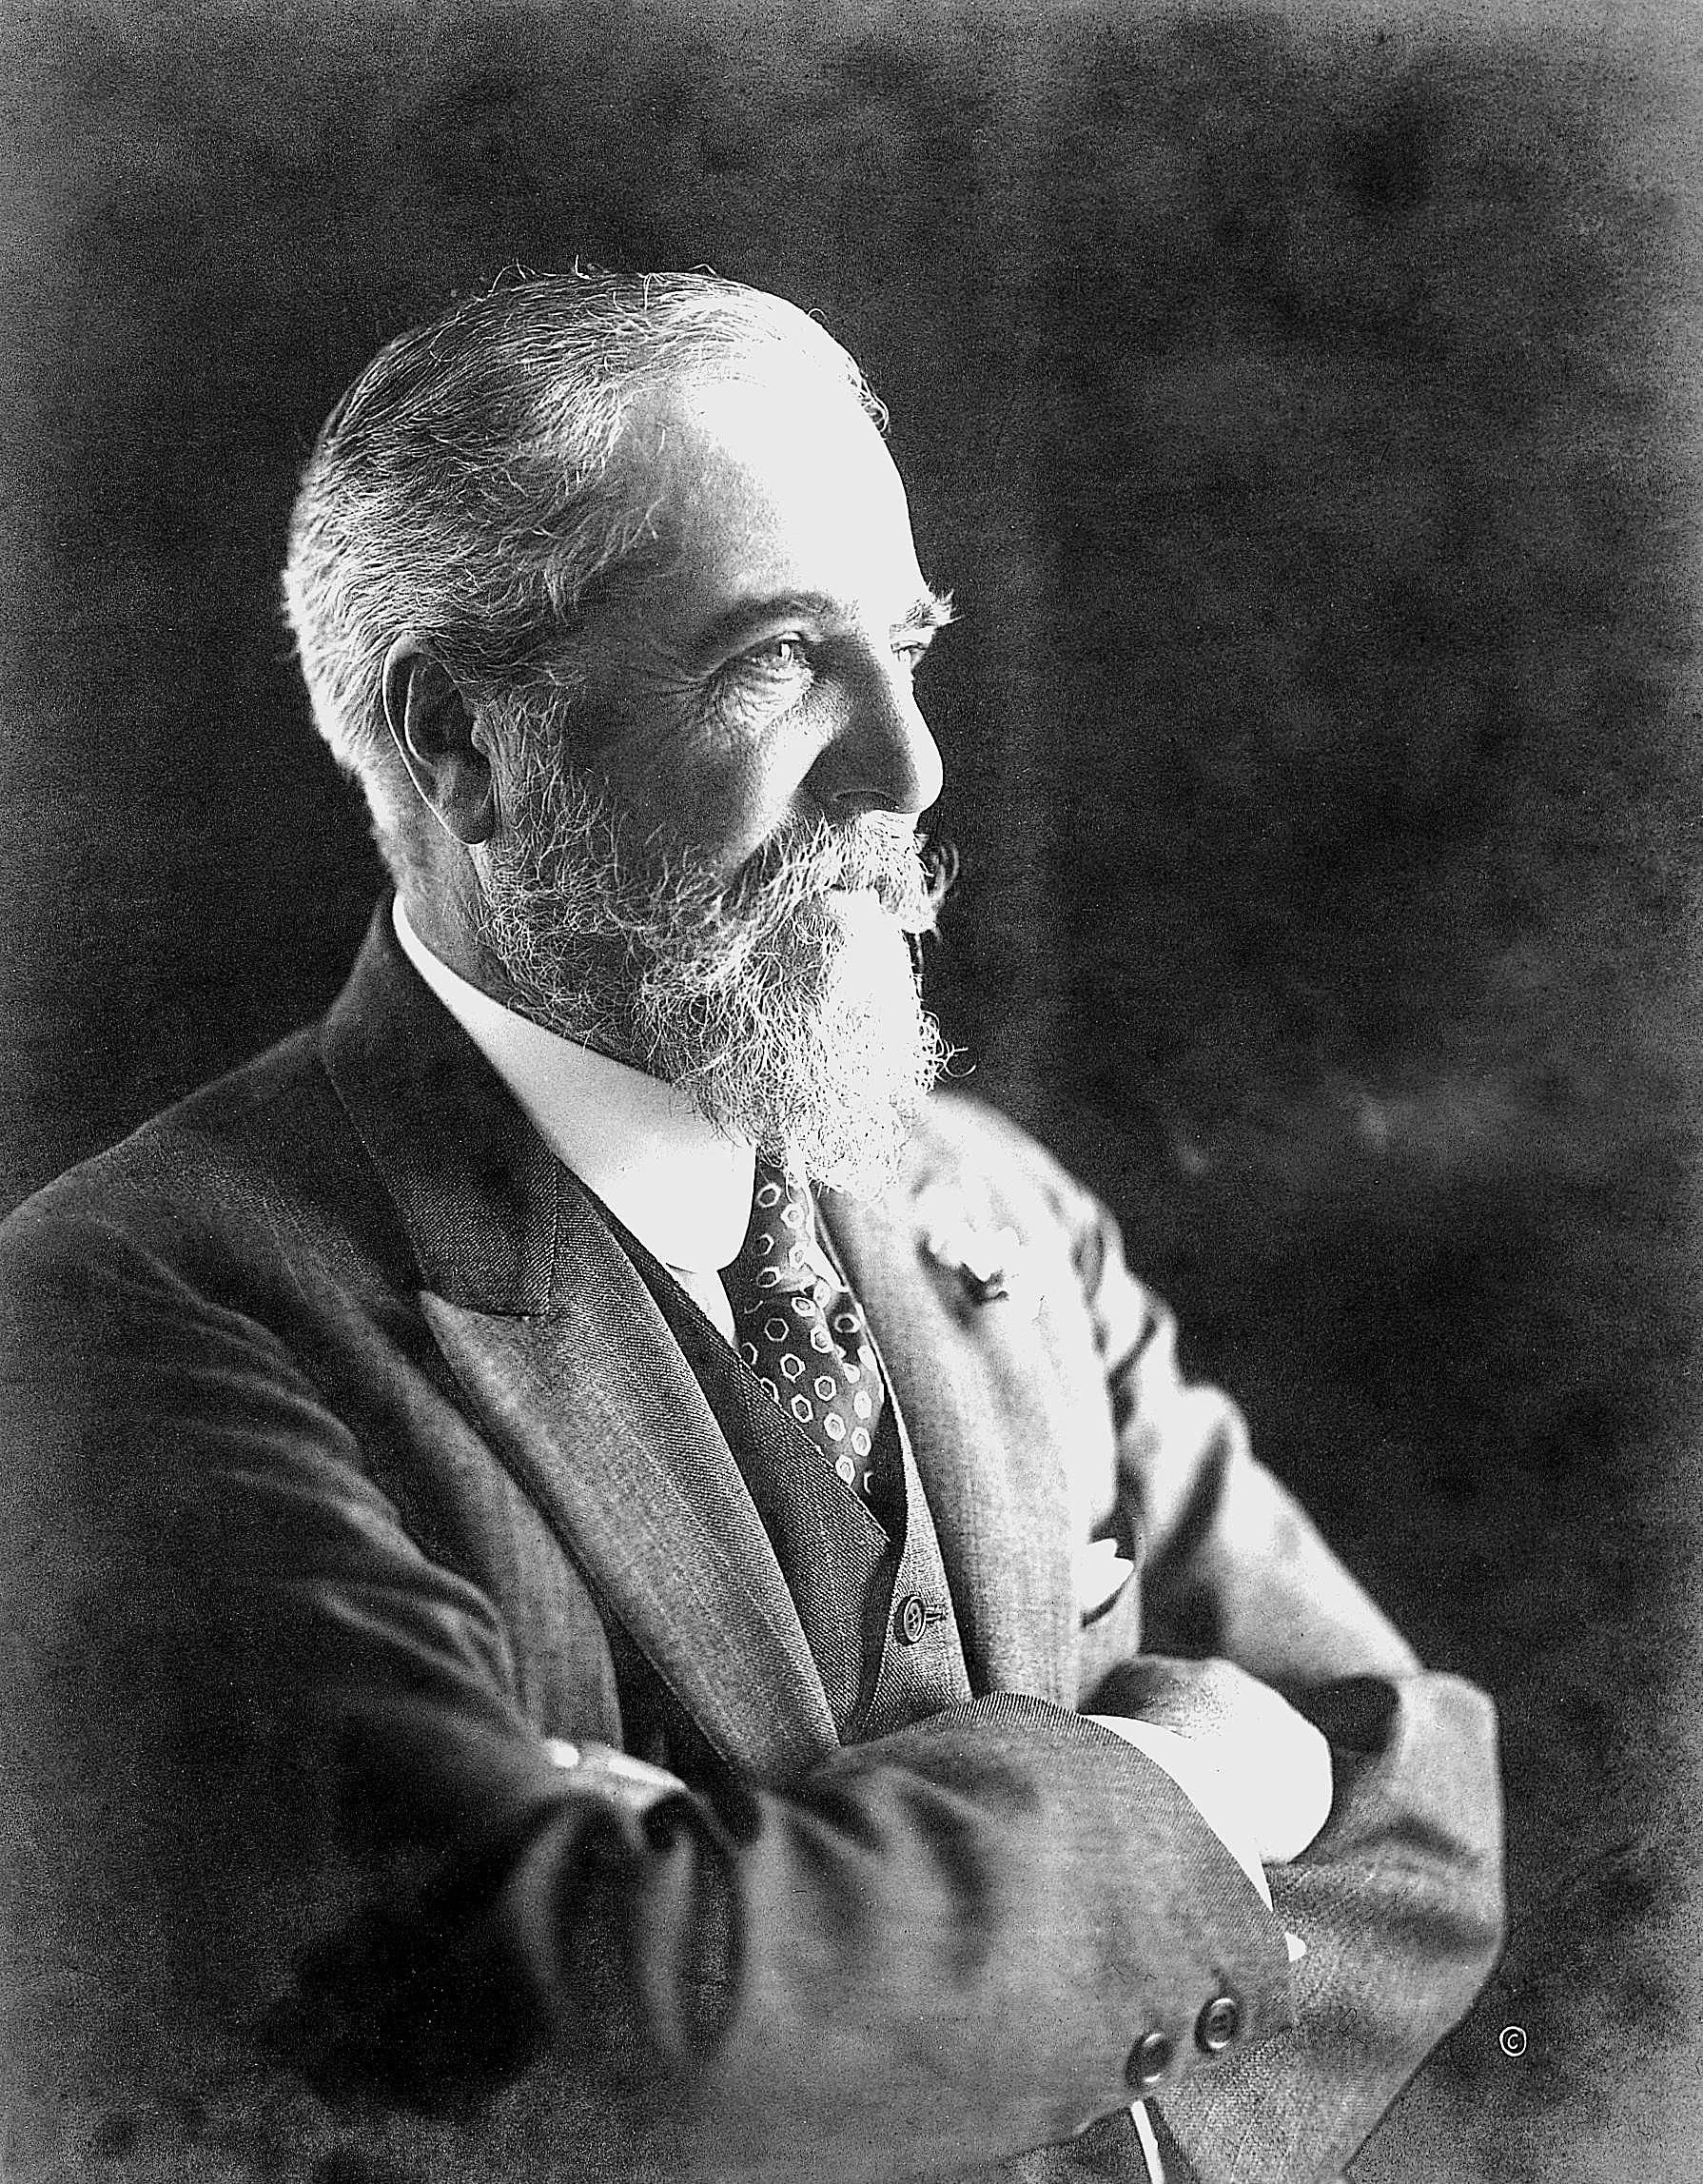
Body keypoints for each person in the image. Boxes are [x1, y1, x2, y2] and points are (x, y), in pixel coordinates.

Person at [0, 269, 1502, 2184]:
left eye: (909, 644)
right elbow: (593, 2035)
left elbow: (1417, 1785)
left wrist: (797, 1955)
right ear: (461, 741)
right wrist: (1172, 1784)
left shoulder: (999, 1208)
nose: (911, 766)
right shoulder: (137, 1316)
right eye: (782, 658)